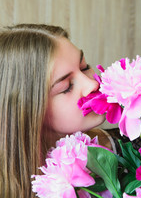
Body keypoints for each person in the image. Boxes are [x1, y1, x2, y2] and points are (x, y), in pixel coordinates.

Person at [0, 24, 111, 198]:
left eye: (84, 66)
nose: (92, 84)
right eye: (67, 87)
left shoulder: (125, 149)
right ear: (28, 112)